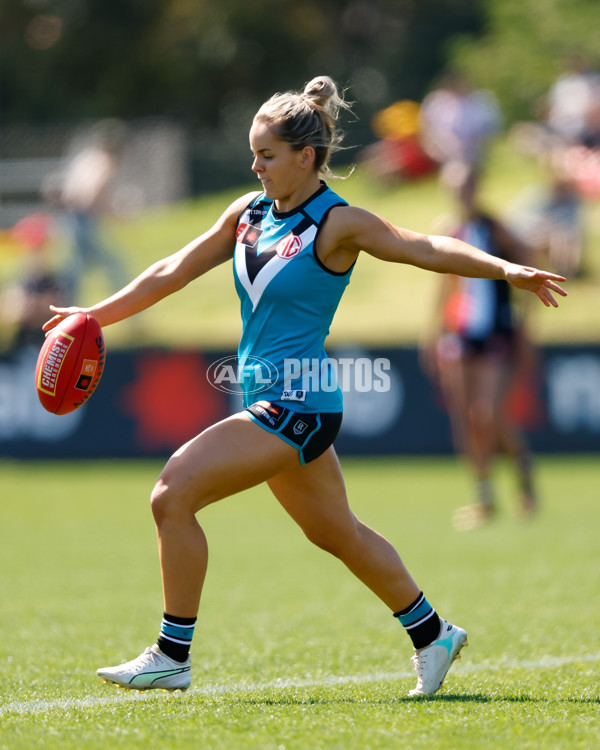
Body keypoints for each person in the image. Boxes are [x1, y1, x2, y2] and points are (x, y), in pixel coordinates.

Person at [43, 77, 566, 697]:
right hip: (272, 399)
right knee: (335, 532)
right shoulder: (247, 213)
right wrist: (92, 317)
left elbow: (421, 246)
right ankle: (434, 634)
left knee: (171, 493)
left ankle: (171, 655)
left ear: (306, 157)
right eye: (253, 153)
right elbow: (169, 271)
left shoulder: (338, 223)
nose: (256, 165)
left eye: (266, 154)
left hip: (298, 403)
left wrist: (504, 267)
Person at [422, 163, 541, 531]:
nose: (463, 195)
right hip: (459, 334)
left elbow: (529, 263)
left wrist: (526, 324)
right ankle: (484, 497)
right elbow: (443, 290)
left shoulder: (495, 228)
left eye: (468, 187)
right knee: (465, 417)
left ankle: (523, 478)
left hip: (495, 332)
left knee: (488, 414)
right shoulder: (449, 230)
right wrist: (432, 336)